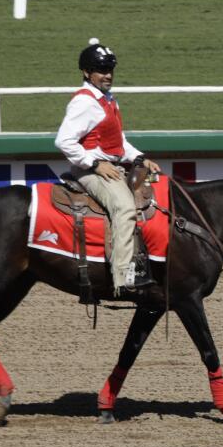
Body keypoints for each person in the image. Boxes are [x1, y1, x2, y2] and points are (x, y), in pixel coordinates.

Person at [55, 39, 160, 297]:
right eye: (101, 70)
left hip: (110, 166)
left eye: (110, 70)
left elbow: (118, 143)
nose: (108, 75)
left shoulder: (108, 100)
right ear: (86, 73)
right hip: (90, 171)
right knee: (124, 208)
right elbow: (63, 140)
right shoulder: (85, 102)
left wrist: (139, 158)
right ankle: (122, 279)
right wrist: (95, 163)